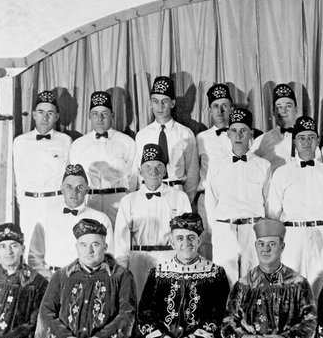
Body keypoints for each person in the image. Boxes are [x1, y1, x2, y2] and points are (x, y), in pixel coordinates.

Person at [267, 116, 323, 297]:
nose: (307, 142)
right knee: (290, 286)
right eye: (302, 138)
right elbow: (273, 212)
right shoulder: (282, 173)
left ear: (317, 141)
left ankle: (321, 325)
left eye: (311, 137)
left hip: (320, 233)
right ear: (294, 142)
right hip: (292, 236)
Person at [205, 107, 272, 285]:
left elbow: (268, 202)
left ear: (251, 134)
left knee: (254, 280)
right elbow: (210, 201)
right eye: (234, 131)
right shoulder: (217, 165)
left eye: (243, 131)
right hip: (225, 228)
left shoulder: (263, 165)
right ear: (228, 134)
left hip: (253, 228)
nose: (238, 136)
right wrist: (217, 230)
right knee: (224, 280)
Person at [113, 143, 191, 293]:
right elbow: (121, 239)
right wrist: (122, 268)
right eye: (148, 167)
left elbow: (186, 235)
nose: (153, 172)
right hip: (138, 260)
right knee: (139, 305)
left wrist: (184, 262)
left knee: (168, 307)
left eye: (158, 166)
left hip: (169, 258)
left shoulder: (179, 197)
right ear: (140, 171)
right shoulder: (129, 200)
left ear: (165, 170)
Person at [28, 164, 114, 279]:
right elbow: (34, 257)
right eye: (69, 187)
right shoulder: (45, 217)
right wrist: (48, 280)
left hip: (86, 280)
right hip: (52, 278)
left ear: (87, 189)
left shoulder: (100, 219)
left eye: (79, 187)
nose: (74, 192)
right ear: (61, 188)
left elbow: (109, 258)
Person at [12, 91, 71, 249]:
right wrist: (24, 203)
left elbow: (70, 176)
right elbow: (17, 177)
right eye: (41, 112)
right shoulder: (20, 142)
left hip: (57, 203)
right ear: (33, 115)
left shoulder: (66, 141)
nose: (45, 117)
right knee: (30, 251)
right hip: (30, 205)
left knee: (57, 247)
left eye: (50, 113)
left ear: (57, 117)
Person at [69, 91, 137, 225]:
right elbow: (74, 179)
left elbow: (134, 178)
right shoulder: (78, 145)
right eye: (95, 114)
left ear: (112, 116)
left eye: (104, 114)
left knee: (117, 241)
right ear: (89, 116)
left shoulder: (127, 142)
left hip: (118, 201)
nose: (100, 118)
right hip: (90, 201)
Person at [134, 76, 200, 204]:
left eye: (164, 101)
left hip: (176, 192)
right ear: (150, 103)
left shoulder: (185, 133)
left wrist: (185, 201)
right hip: (149, 193)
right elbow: (137, 173)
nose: (160, 106)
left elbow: (192, 174)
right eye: (155, 101)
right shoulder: (142, 135)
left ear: (173, 103)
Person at [195, 83, 235, 259]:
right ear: (210, 110)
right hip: (207, 200)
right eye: (215, 106)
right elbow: (193, 173)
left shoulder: (244, 136)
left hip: (234, 198)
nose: (220, 111)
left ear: (232, 109)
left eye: (224, 106)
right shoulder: (201, 138)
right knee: (207, 246)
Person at [251, 83, 323, 173]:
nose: (283, 111)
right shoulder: (260, 142)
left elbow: (319, 171)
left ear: (296, 109)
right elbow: (252, 172)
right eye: (279, 107)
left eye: (288, 106)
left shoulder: (309, 140)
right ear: (273, 111)